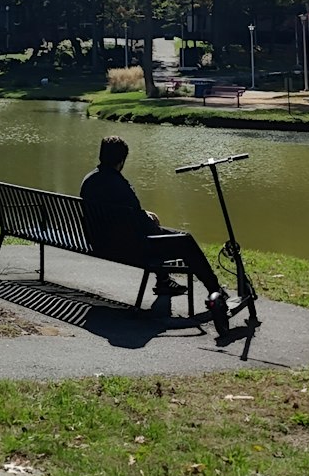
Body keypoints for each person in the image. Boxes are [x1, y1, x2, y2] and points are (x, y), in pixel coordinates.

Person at [80, 136, 231, 336]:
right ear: (122, 160)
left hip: (101, 243)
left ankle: (164, 281)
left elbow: (129, 216)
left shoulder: (89, 180)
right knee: (185, 241)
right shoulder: (120, 185)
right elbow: (139, 223)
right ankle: (215, 289)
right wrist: (150, 221)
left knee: (173, 236)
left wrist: (144, 216)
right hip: (131, 248)